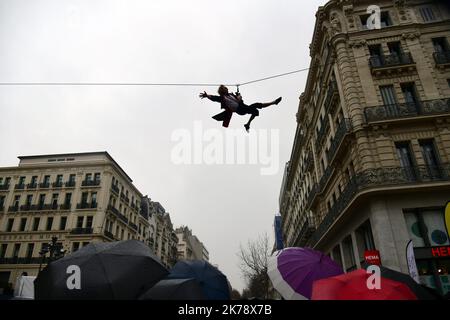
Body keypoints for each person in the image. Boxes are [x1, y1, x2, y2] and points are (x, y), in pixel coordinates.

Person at [199, 85, 282, 132]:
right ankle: (274, 102)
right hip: (239, 110)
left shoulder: (231, 95)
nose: (227, 88)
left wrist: (239, 96)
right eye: (225, 88)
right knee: (256, 106)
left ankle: (248, 124)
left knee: (255, 109)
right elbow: (215, 98)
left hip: (243, 106)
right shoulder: (223, 98)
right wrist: (207, 96)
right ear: (222, 90)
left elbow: (239, 100)